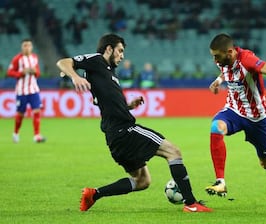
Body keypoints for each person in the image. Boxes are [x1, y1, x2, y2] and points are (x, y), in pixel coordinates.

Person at [56, 34, 212, 212]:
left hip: (115, 137)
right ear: (109, 49)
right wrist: (75, 77)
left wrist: (128, 105)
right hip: (125, 130)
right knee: (173, 151)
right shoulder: (97, 60)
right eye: (120, 51)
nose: (122, 56)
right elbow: (63, 62)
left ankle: (93, 194)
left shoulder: (109, 73)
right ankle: (191, 204)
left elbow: (108, 103)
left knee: (142, 181)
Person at [205, 33, 266, 197]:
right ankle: (220, 182)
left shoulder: (247, 59)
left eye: (217, 56)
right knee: (216, 127)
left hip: (257, 117)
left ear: (230, 52)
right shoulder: (224, 60)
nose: (215, 61)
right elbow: (225, 71)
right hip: (234, 111)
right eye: (213, 57)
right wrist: (218, 81)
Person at [7, 38, 46, 143]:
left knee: (37, 111)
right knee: (20, 114)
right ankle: (16, 133)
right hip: (21, 91)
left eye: (29, 45)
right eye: (25, 45)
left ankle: (37, 135)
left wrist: (35, 72)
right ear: (22, 47)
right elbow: (10, 72)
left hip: (34, 90)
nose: (27, 47)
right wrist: (21, 73)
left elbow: (38, 73)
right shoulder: (17, 59)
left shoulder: (34, 57)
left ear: (32, 47)